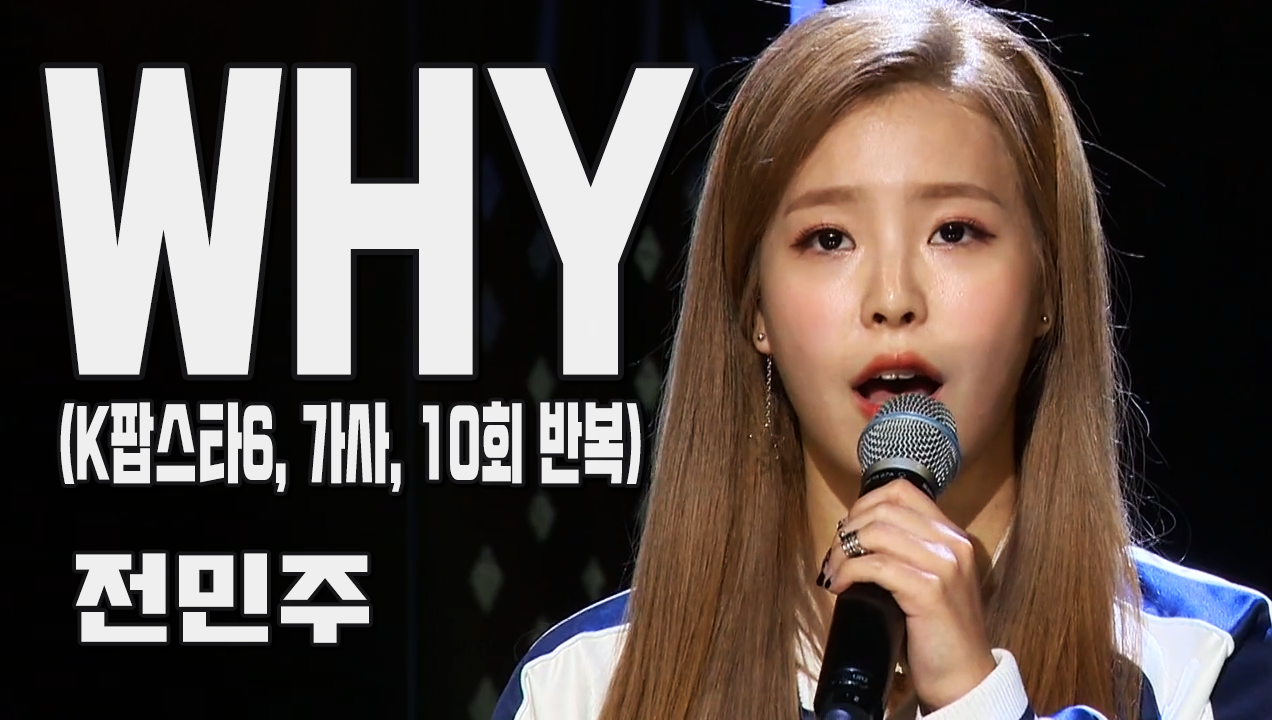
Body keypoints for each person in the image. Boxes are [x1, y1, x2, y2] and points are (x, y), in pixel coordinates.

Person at [492, 0, 1271, 718]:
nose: (893, 298)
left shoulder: (1205, 663)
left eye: (954, 232)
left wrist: (977, 699)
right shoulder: (581, 684)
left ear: (1047, 287)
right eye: (829, 239)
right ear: (756, 309)